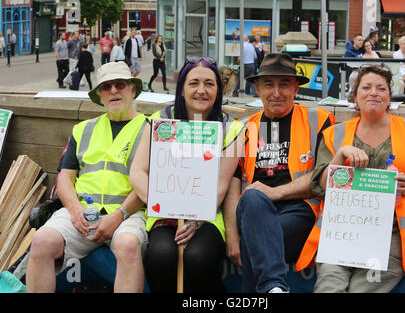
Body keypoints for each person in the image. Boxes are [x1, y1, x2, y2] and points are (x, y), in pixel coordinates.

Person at [296, 64, 405, 293]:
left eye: (381, 88)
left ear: (389, 97)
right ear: (355, 97)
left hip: (392, 237)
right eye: (366, 87)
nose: (373, 93)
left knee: (361, 290)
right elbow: (320, 186)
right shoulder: (335, 134)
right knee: (328, 288)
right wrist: (341, 155)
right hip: (342, 233)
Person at [26, 62, 149, 293]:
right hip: (82, 212)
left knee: (128, 245)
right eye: (105, 87)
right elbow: (65, 177)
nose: (113, 90)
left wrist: (118, 215)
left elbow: (150, 184)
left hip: (128, 214)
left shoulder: (150, 129)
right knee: (42, 241)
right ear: (99, 96)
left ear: (132, 90)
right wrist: (74, 210)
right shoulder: (83, 129)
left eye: (120, 84)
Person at [129, 56, 244, 293]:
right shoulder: (160, 121)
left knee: (198, 257)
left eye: (209, 84)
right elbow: (137, 172)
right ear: (182, 88)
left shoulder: (231, 128)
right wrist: (164, 204)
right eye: (194, 83)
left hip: (209, 214)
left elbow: (221, 186)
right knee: (161, 256)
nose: (201, 90)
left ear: (218, 90)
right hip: (163, 212)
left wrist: (196, 219)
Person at [222, 53, 335, 293]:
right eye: (269, 84)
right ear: (257, 88)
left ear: (295, 88)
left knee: (259, 240)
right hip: (252, 211)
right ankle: (274, 286)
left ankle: (269, 288)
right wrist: (232, 237)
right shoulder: (245, 127)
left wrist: (273, 192)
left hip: (302, 208)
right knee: (253, 199)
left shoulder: (319, 120)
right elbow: (232, 184)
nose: (277, 92)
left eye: (284, 84)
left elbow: (324, 175)